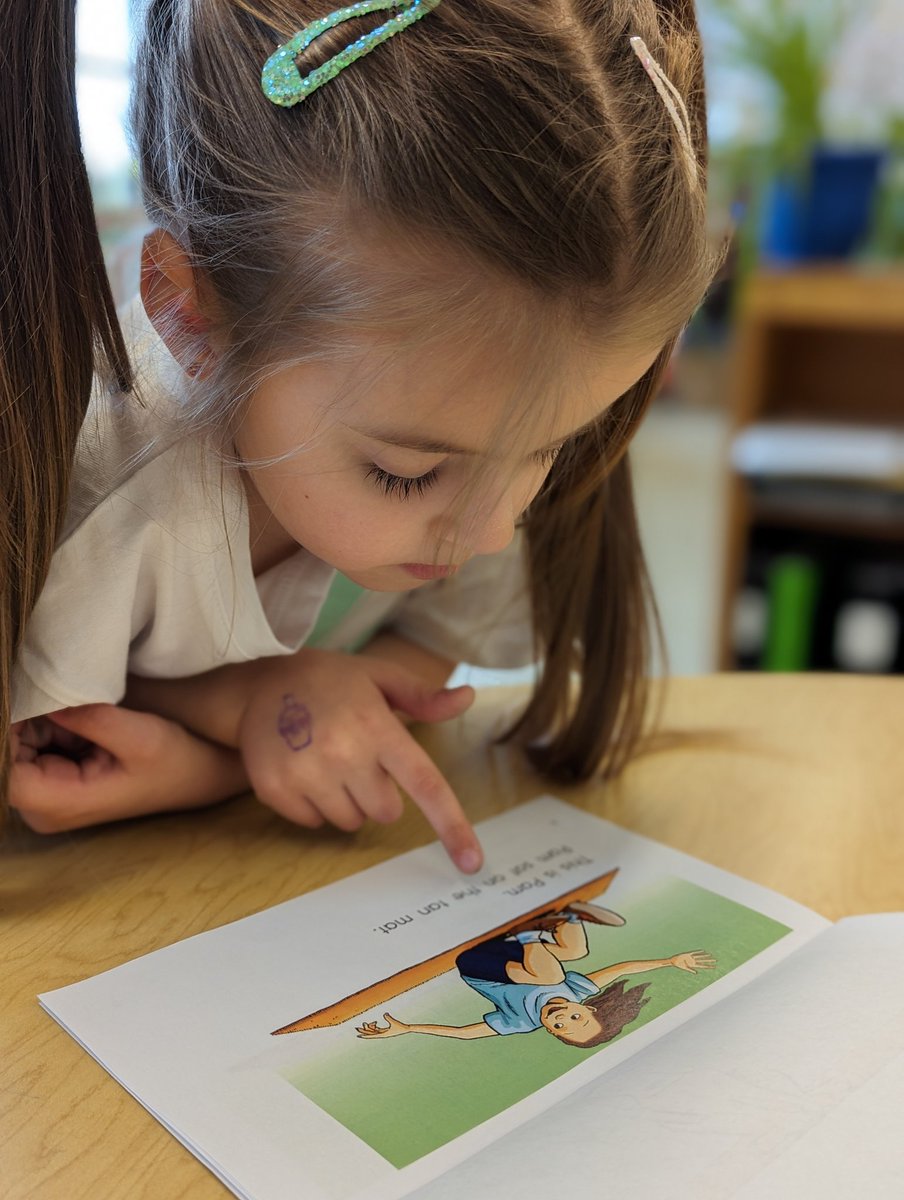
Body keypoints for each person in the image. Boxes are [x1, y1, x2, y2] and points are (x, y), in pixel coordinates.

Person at [1, 0, 719, 867]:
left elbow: (425, 663)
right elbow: (49, 757)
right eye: (406, 474)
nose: (493, 532)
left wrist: (228, 752)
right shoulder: (102, 502)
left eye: (551, 448)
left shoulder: (466, 446)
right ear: (195, 319)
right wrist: (251, 715)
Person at [356, 905, 717, 1046]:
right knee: (576, 953)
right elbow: (621, 969)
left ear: (548, 1030)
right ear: (589, 1009)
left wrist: (408, 1028)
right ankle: (572, 917)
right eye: (575, 1017)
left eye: (560, 1027)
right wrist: (670, 961)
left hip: (481, 966)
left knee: (546, 976)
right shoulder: (577, 991)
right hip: (516, 955)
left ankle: (534, 932)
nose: (562, 1017)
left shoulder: (519, 1022)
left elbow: (464, 1034)